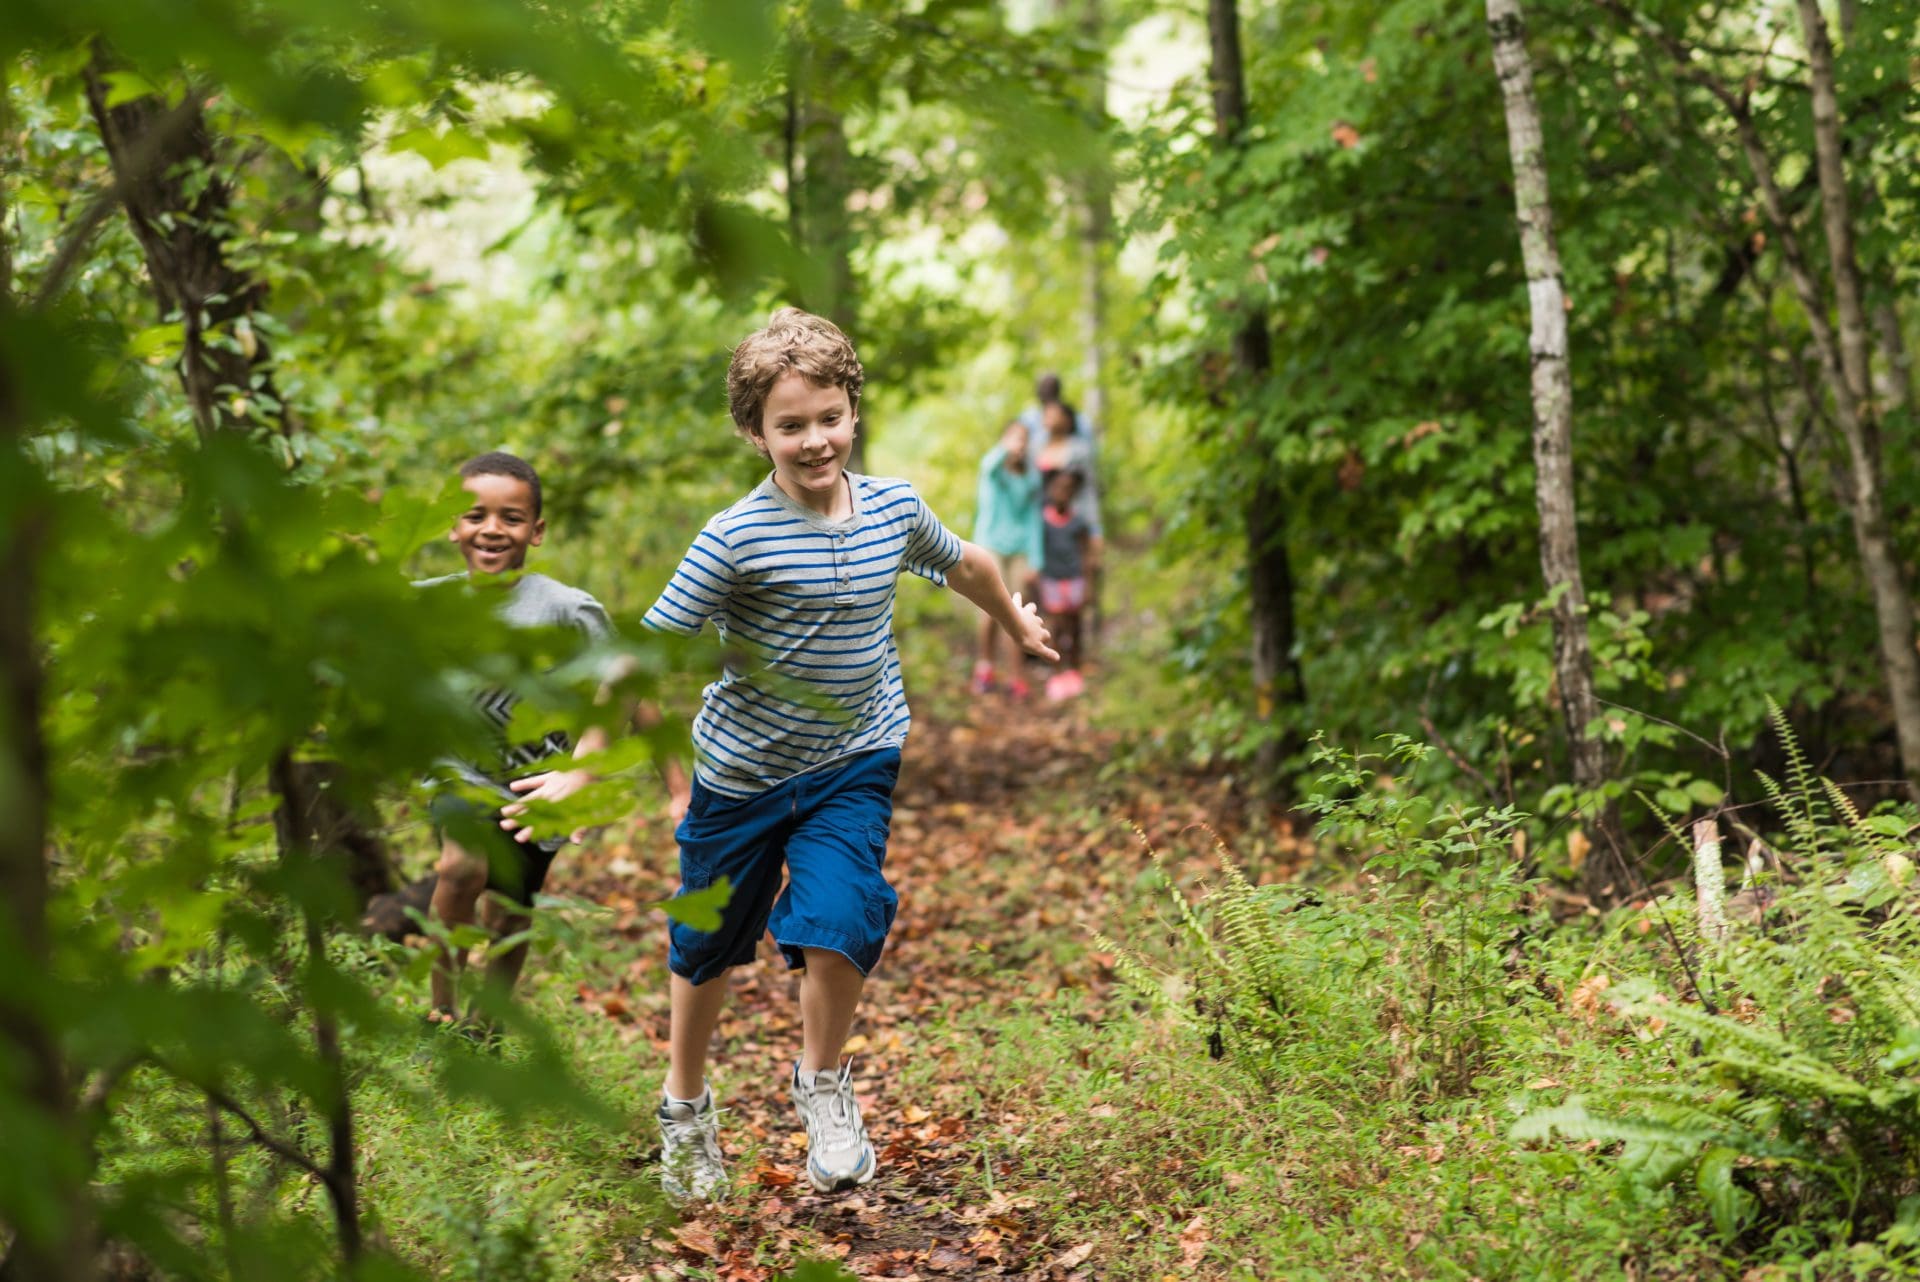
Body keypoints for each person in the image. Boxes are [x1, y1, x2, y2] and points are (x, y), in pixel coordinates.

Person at [641, 307, 1056, 1202]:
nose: (815, 439)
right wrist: (670, 782)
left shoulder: (894, 508)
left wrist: (1014, 622)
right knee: (706, 943)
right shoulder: (733, 538)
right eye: (791, 425)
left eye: (829, 417)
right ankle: (685, 1108)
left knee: (843, 915)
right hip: (742, 773)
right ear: (756, 433)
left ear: (853, 412)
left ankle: (823, 1085)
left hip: (854, 756)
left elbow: (968, 563)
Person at [416, 451, 616, 1027]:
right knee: (460, 870)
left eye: (510, 517)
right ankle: (440, 1010)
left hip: (539, 782)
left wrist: (585, 769)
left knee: (510, 911)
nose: (491, 529)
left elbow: (617, 687)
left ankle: (488, 1023)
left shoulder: (568, 609)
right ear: (453, 526)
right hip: (458, 773)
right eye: (475, 515)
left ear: (537, 530)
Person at [970, 419, 1043, 697]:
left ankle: (1016, 675)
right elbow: (988, 465)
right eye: (1014, 438)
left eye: (1023, 439)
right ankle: (985, 666)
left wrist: (1036, 560)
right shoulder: (994, 470)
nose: (1019, 443)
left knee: (1016, 613)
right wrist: (1005, 449)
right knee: (990, 610)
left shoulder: (1030, 478)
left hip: (1020, 549)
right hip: (991, 547)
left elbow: (1033, 520)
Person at [1037, 466, 1093, 701]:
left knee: (1075, 626)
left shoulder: (1079, 523)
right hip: (1051, 580)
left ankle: (1075, 671)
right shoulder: (1041, 521)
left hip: (1075, 580)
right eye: (1059, 487)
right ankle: (1057, 674)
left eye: (1068, 489)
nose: (1063, 492)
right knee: (1056, 628)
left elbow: (1087, 553)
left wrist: (1089, 584)